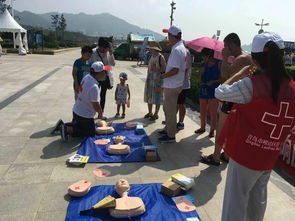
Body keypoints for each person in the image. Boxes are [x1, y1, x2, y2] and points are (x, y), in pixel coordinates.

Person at [216, 32, 295, 221]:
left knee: (235, 203)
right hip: (269, 154)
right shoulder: (292, 87)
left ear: (256, 60)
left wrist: (240, 73)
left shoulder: (251, 85)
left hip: (245, 153)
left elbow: (220, 93)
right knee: (257, 201)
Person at [200, 33, 252, 165]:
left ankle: (216, 156)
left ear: (231, 45)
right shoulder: (246, 57)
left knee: (221, 127)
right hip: (241, 98)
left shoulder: (241, 58)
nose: (224, 49)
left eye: (226, 46)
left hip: (232, 99)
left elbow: (225, 75)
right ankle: (227, 155)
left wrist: (224, 58)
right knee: (232, 129)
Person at [52, 62, 108, 141]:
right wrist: (100, 113)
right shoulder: (94, 87)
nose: (105, 73)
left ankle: (62, 125)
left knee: (79, 125)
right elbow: (95, 104)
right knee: (90, 133)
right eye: (104, 72)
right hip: (84, 115)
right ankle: (67, 129)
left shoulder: (87, 77)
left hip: (77, 110)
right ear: (100, 73)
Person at [158, 25, 187, 143]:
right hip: (175, 84)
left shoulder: (176, 50)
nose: (167, 37)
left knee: (170, 111)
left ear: (172, 36)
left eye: (168, 35)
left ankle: (170, 135)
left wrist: (162, 76)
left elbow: (175, 70)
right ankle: (168, 129)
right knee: (168, 109)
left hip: (172, 85)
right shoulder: (181, 47)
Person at [194, 48, 221, 137]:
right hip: (203, 90)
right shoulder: (203, 65)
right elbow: (198, 78)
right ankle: (202, 127)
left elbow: (223, 79)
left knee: (213, 112)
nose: (203, 58)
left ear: (209, 56)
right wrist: (201, 74)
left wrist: (213, 81)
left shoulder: (218, 65)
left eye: (204, 56)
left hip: (214, 92)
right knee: (202, 110)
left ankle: (212, 130)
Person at [90, 37, 116, 118]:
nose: (105, 50)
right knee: (93, 95)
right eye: (104, 48)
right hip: (95, 78)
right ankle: (91, 112)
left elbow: (112, 65)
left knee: (103, 96)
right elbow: (90, 66)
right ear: (99, 46)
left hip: (104, 77)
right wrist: (102, 68)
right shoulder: (93, 52)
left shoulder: (108, 53)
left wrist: (111, 54)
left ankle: (101, 113)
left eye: (106, 48)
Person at [144, 42, 166, 121]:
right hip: (150, 78)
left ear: (155, 49)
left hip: (158, 80)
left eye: (151, 48)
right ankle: (150, 112)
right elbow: (149, 67)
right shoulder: (151, 56)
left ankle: (156, 114)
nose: (150, 49)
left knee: (157, 97)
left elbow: (164, 69)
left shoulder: (161, 57)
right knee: (149, 96)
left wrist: (156, 69)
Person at [176, 48, 192, 130]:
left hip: (183, 84)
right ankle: (173, 120)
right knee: (176, 103)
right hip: (177, 83)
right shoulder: (181, 52)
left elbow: (185, 69)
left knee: (180, 104)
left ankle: (181, 122)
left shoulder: (186, 52)